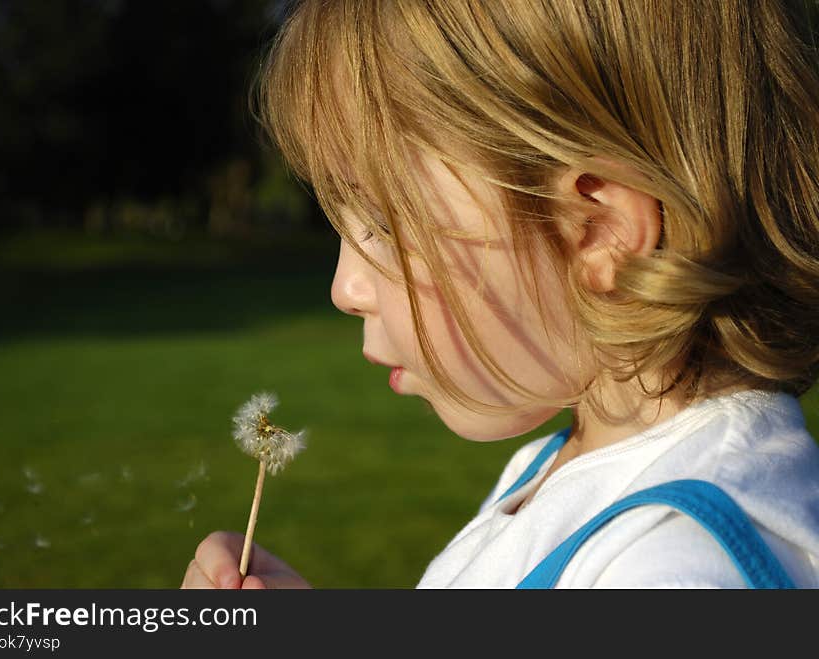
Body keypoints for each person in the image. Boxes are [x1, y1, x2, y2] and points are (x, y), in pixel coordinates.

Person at [181, 0, 819, 589]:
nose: (344, 289)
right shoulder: (567, 471)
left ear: (599, 232)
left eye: (381, 221)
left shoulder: (674, 569)